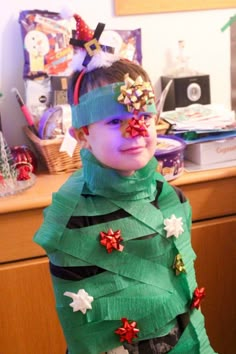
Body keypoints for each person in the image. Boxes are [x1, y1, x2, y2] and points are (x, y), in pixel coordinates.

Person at [34, 14, 217, 354]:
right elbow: (83, 327)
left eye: (143, 117)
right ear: (83, 135)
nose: (135, 131)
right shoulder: (71, 217)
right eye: (116, 120)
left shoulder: (170, 197)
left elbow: (184, 288)